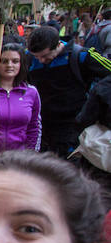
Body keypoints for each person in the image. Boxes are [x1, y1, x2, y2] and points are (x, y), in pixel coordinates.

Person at [27, 25, 111, 157]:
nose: (41, 60)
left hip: (73, 125)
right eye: (37, 57)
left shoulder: (82, 55)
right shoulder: (30, 60)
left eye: (45, 56)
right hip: (43, 126)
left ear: (58, 45)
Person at [0, 43, 42, 154]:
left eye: (15, 61)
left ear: (21, 64)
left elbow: (34, 128)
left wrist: (30, 155)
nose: (9, 65)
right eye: (4, 61)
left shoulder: (31, 92)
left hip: (18, 160)